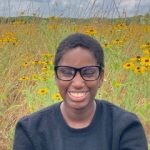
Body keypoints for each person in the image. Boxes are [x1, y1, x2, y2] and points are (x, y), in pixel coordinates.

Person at [13, 33, 148, 150]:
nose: (77, 83)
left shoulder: (126, 127)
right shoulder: (30, 130)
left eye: (88, 72)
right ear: (55, 76)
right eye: (66, 72)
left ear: (101, 77)